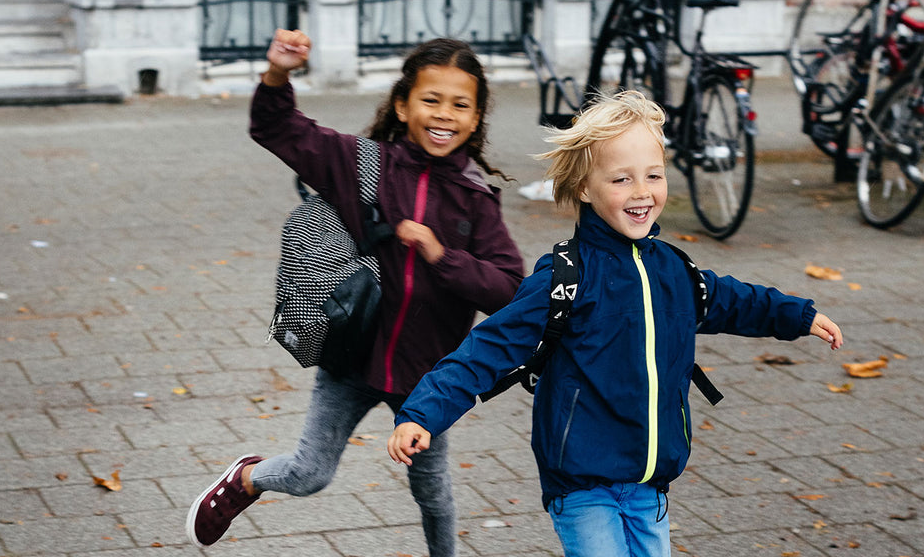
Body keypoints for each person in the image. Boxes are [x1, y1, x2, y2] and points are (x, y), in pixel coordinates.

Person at [387, 90, 844, 557]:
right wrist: (423, 412)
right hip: (582, 483)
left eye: (653, 175)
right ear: (585, 188)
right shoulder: (566, 278)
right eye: (621, 179)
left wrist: (797, 315)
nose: (642, 192)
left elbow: (733, 300)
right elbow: (488, 348)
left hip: (650, 482)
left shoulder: (674, 271)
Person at [185, 29, 524, 557]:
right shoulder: (364, 164)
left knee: (434, 495)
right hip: (351, 358)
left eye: (460, 105)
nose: (444, 115)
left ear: (476, 118)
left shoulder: (477, 199)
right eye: (430, 100)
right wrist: (277, 74)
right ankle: (247, 479)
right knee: (308, 473)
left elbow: (510, 289)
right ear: (403, 104)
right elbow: (277, 128)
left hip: (429, 379)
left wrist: (441, 255)